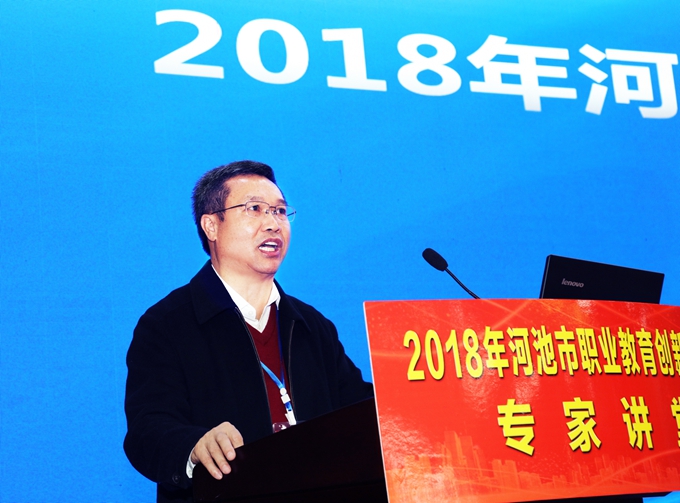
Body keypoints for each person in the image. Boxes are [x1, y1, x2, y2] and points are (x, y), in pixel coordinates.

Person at [123, 160, 373, 503]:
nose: (273, 223)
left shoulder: (310, 325)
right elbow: (147, 431)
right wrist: (194, 446)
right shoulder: (168, 324)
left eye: (280, 211)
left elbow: (361, 412)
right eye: (254, 209)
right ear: (211, 226)